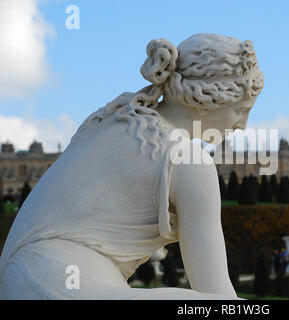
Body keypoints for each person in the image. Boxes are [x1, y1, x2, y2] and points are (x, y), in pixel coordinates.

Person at [0, 34, 264, 299]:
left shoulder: (110, 117)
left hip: (15, 278)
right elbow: (216, 291)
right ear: (209, 99)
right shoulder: (190, 161)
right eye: (240, 111)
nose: (242, 125)